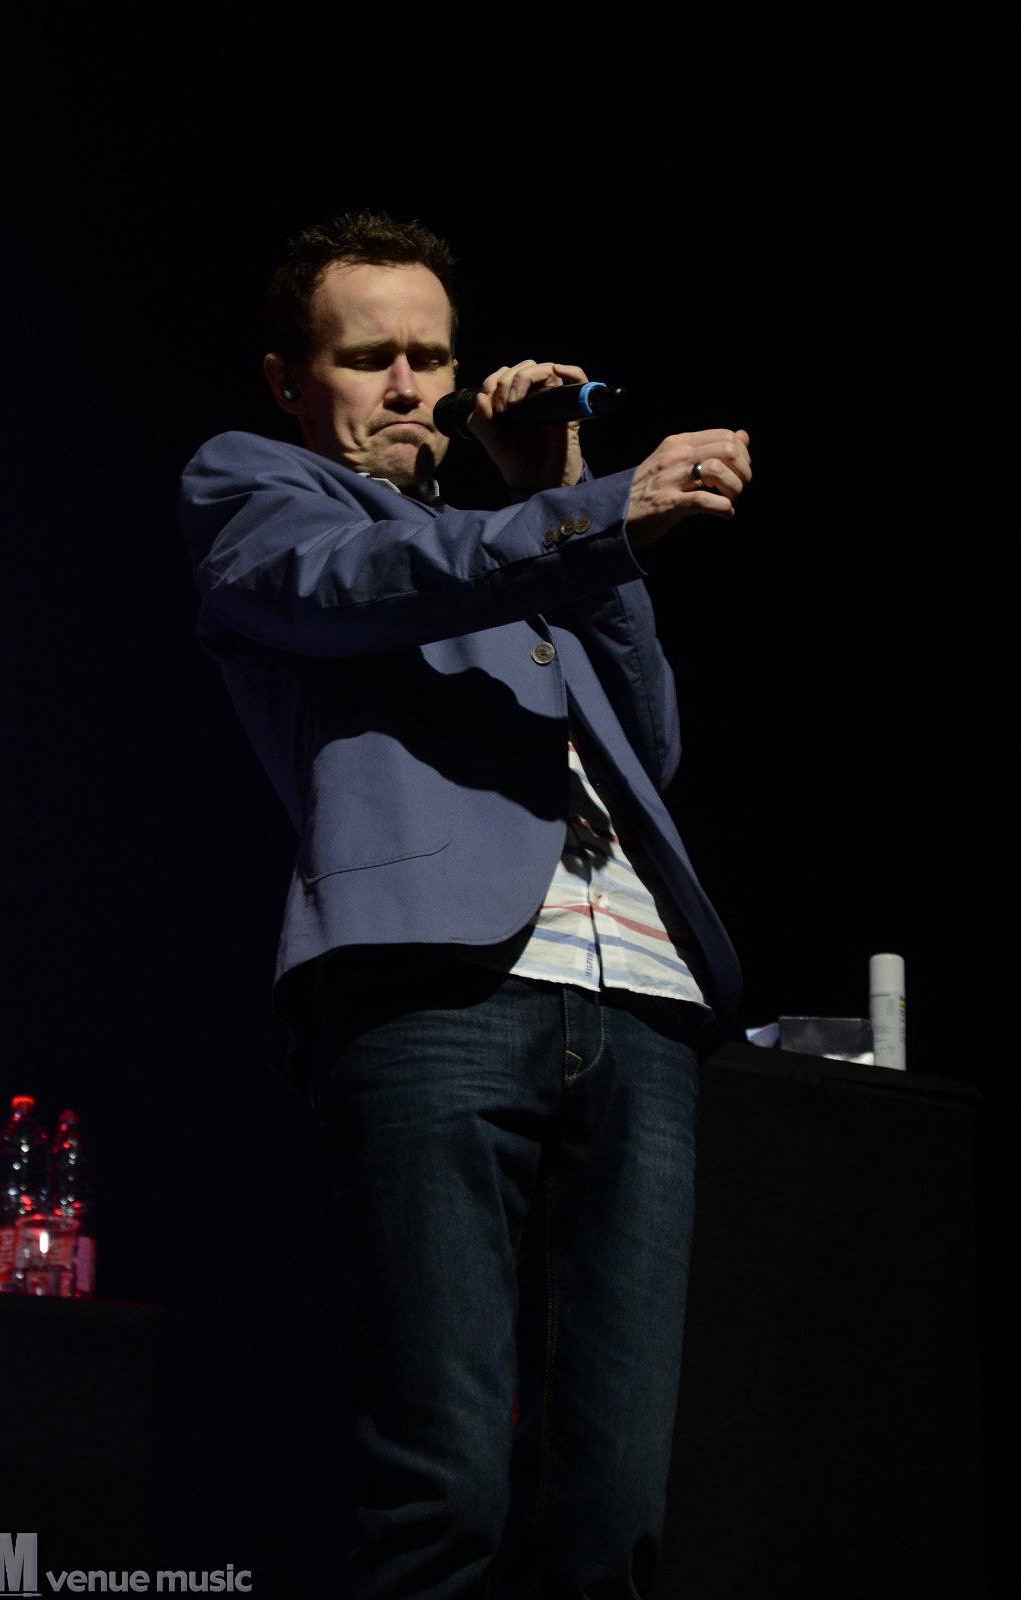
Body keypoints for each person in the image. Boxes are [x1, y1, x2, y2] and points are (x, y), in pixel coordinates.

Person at [178, 209, 752, 1600]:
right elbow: (359, 582)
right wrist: (583, 515)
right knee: (442, 1488)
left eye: (431, 358)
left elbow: (649, 743)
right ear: (289, 379)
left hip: (643, 1001)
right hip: (436, 994)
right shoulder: (257, 487)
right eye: (367, 356)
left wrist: (563, 485)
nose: (408, 387)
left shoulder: (515, 531)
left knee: (612, 1505)